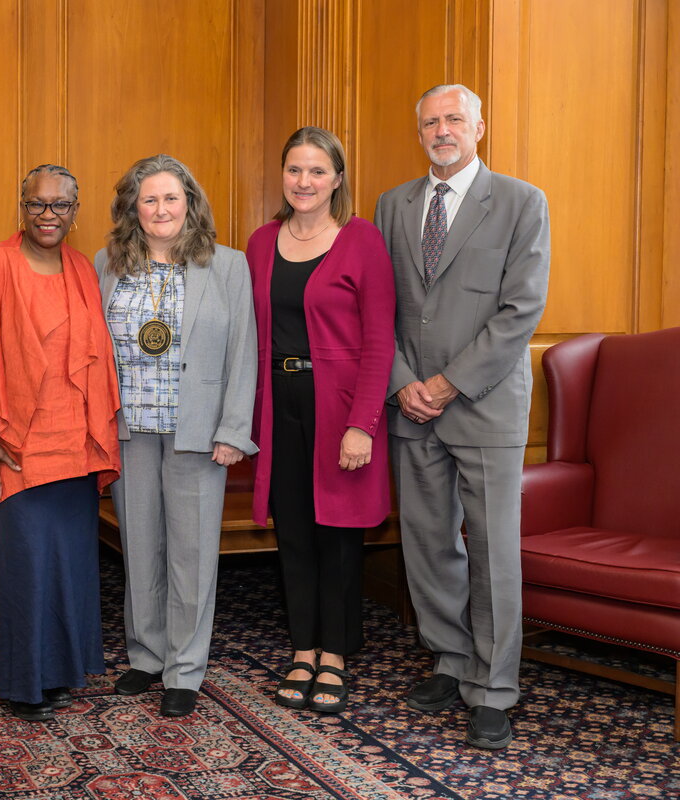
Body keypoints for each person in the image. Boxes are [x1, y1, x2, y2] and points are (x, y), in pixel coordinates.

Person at [373, 84, 550, 749]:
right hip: (411, 406)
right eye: (429, 122)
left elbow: (520, 312)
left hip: (483, 406)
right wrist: (402, 385)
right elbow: (380, 309)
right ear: (418, 132)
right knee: (426, 543)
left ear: (480, 126)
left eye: (453, 119)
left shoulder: (520, 202)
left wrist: (447, 383)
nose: (441, 130)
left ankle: (494, 688)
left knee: (492, 550)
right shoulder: (394, 205)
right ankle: (449, 659)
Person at [0, 165, 121, 722]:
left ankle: (61, 673)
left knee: (70, 566)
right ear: (22, 207)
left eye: (60, 206)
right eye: (38, 205)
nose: (48, 215)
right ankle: (24, 684)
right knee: (26, 567)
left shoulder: (82, 269)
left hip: (75, 448)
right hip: (15, 446)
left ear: (75, 211)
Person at [95, 154, 257, 718]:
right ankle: (145, 656)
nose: (161, 209)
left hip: (198, 432)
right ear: (132, 209)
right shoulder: (108, 264)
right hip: (131, 430)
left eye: (171, 198)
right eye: (149, 199)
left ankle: (185, 668)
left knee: (191, 556)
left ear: (189, 202)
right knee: (139, 549)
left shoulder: (228, 266)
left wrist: (234, 428)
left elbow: (245, 353)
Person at [245, 127, 395, 714]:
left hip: (341, 407)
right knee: (295, 532)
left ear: (337, 178)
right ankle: (302, 649)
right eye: (294, 170)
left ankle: (335, 655)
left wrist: (364, 423)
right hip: (277, 404)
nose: (303, 182)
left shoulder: (362, 241)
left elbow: (380, 341)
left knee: (338, 534)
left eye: (316, 171)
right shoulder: (261, 242)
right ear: (282, 176)